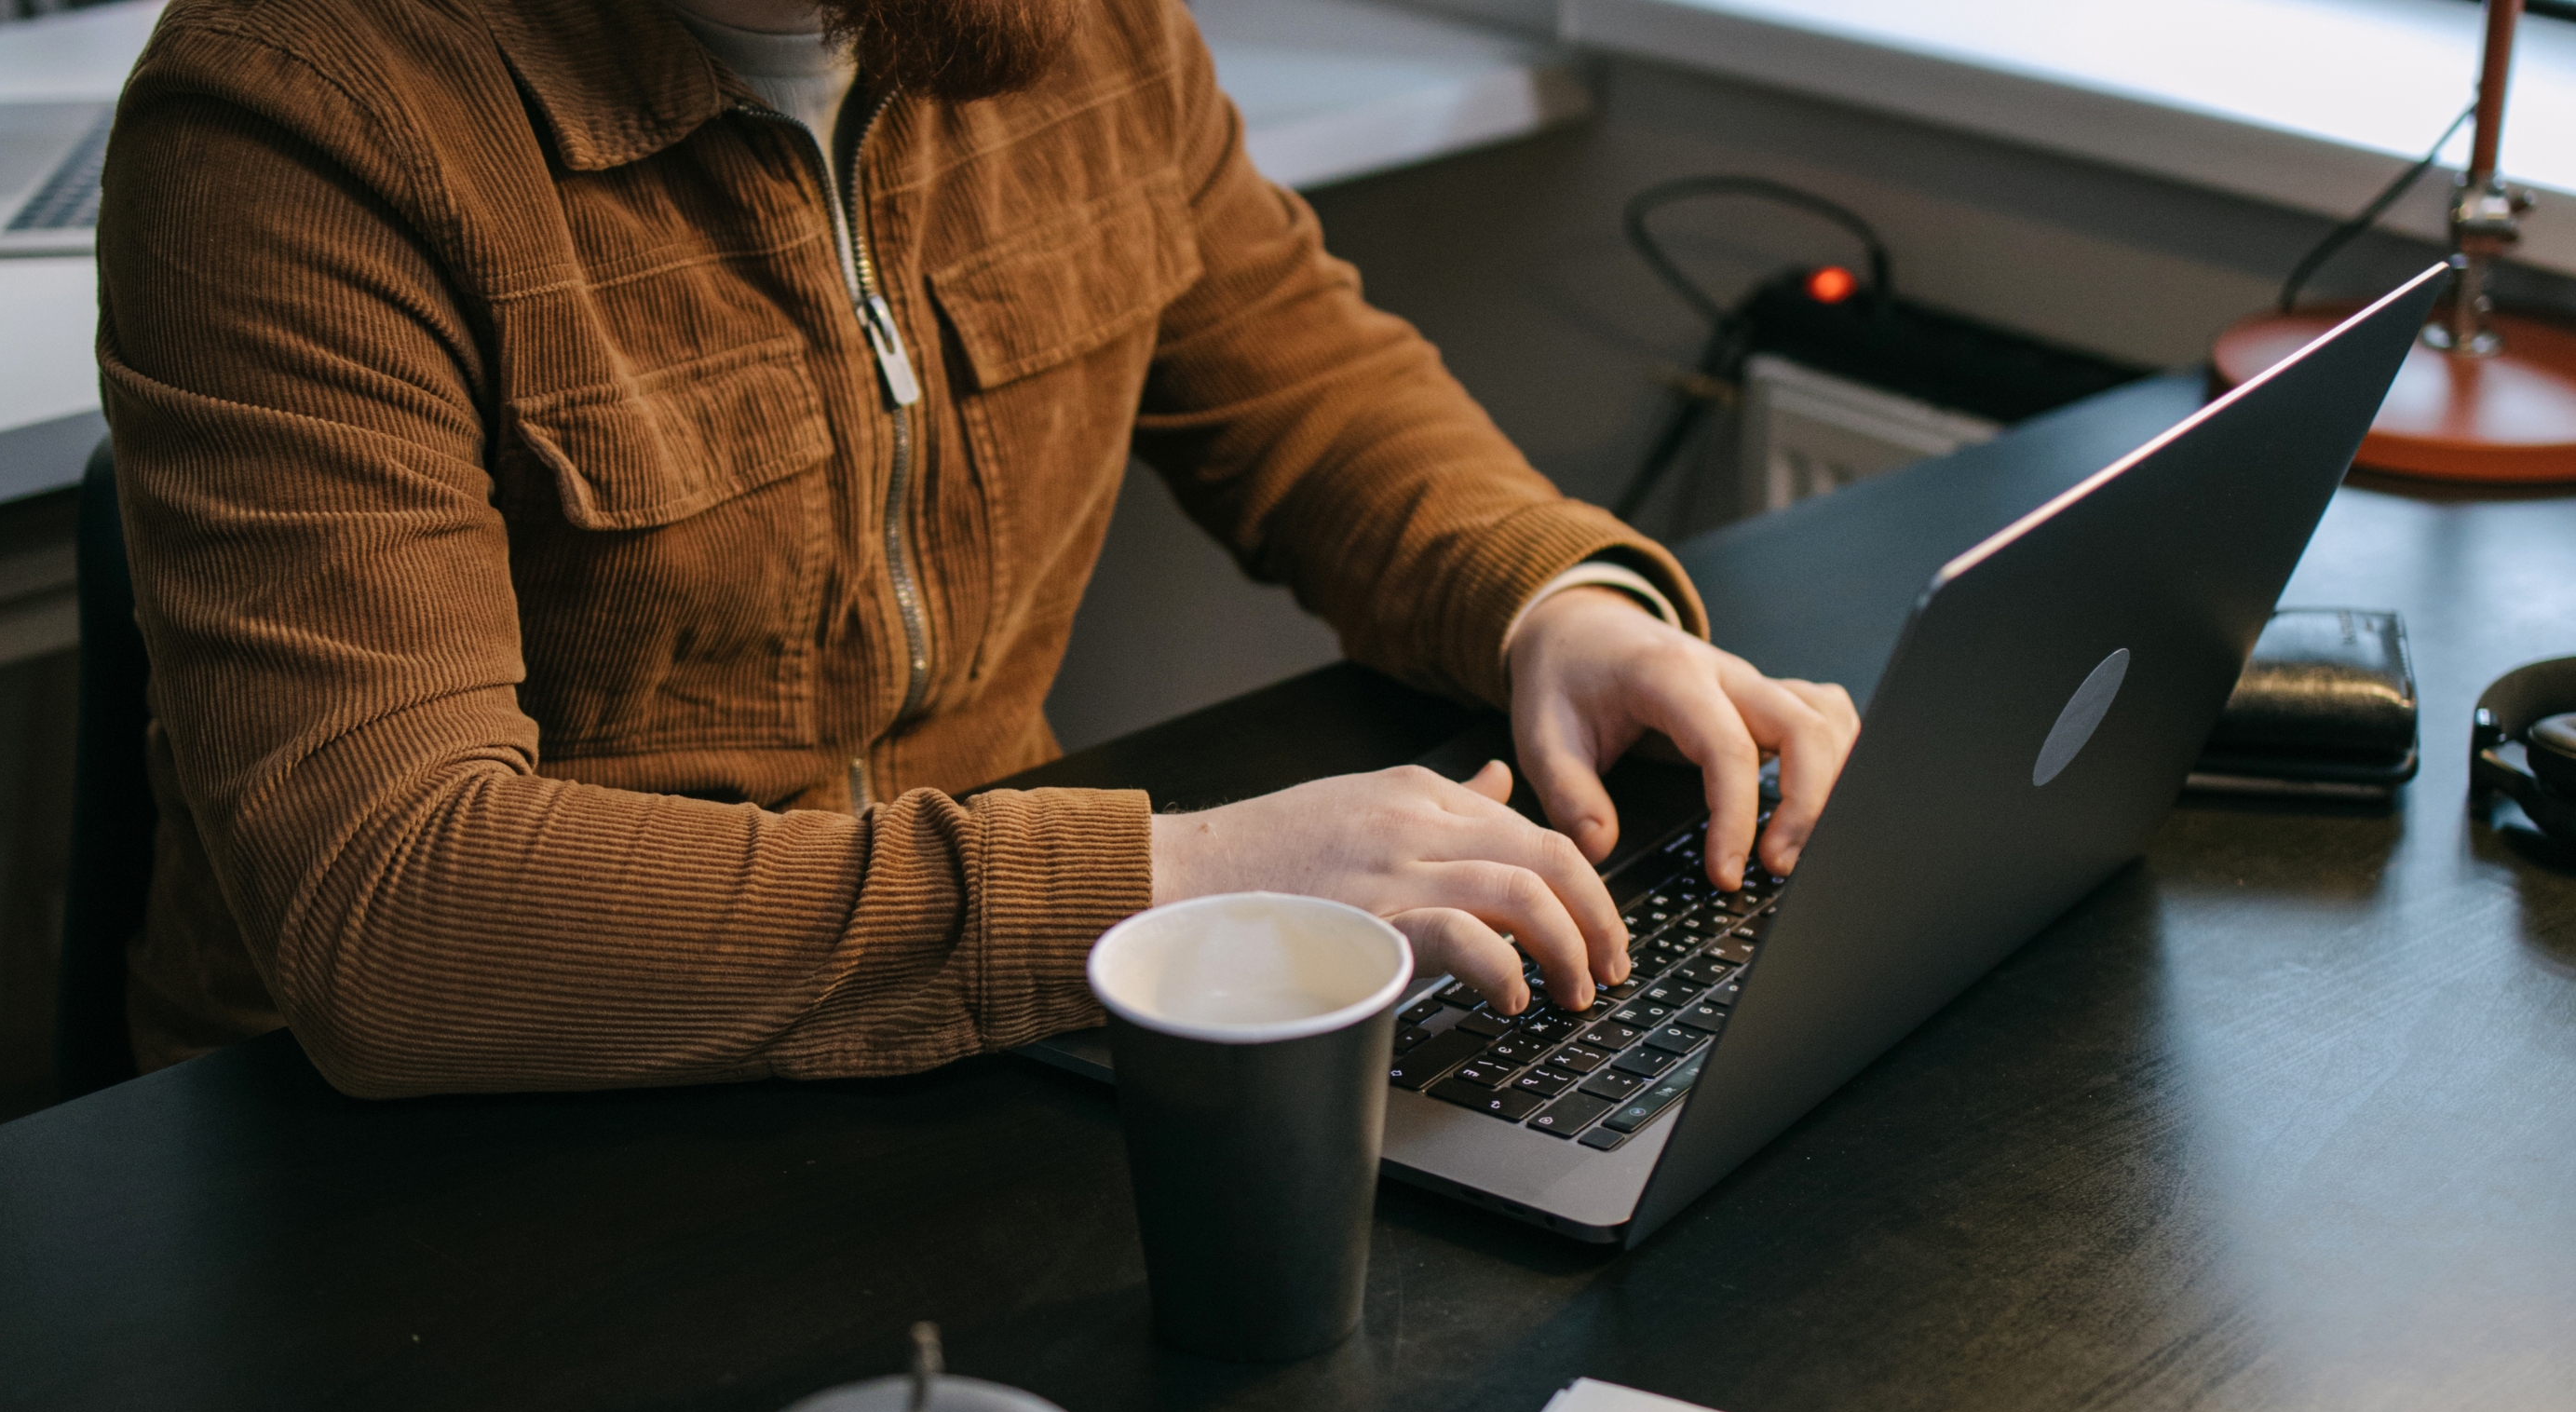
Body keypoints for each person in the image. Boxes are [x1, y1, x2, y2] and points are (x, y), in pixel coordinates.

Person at [96, 0, 1858, 1096]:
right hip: (446, 1160)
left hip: (968, 1049)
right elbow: (400, 909)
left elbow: (1303, 383)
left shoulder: (1063, 24)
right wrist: (1160, 888)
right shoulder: (301, 115)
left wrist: (1558, 599)